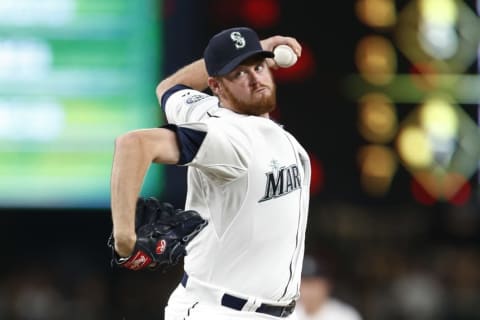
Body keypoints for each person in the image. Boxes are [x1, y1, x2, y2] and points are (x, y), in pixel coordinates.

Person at [110, 26, 310, 319]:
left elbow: (168, 88)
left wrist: (248, 50)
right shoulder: (229, 138)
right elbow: (134, 144)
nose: (255, 79)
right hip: (220, 310)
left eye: (257, 66)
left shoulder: (202, 109)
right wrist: (124, 239)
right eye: (239, 73)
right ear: (216, 86)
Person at [297, 255, 362, 320]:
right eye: (304, 284)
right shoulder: (289, 314)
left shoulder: (346, 316)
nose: (308, 291)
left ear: (327, 285)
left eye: (313, 284)